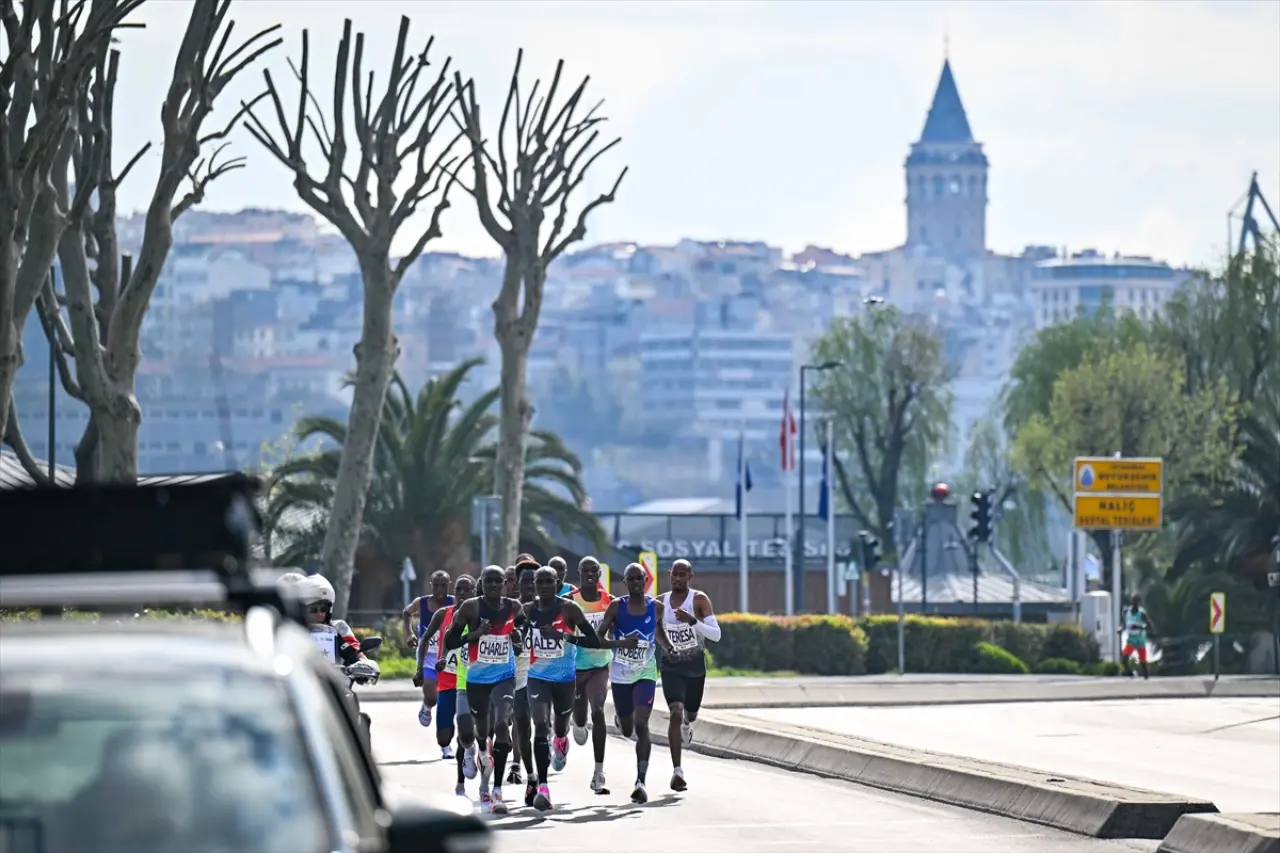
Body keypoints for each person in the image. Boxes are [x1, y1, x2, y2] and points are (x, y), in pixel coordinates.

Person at [522, 565, 629, 811]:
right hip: (537, 677)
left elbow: (592, 640)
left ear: (557, 583)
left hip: (565, 679)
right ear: (534, 585)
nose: (544, 586)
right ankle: (543, 787)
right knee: (540, 725)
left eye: (549, 581)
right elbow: (513, 632)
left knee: (561, 726)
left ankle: (561, 739)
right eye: (540, 582)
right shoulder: (527, 610)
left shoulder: (569, 608)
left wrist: (563, 637)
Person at [443, 566, 527, 814]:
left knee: (501, 725)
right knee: (482, 734)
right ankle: (480, 758)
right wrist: (475, 634)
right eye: (488, 580)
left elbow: (522, 628)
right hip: (477, 680)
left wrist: (518, 637)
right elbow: (450, 640)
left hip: (504, 677)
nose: (493, 585)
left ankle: (497, 790)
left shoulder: (513, 606)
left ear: (505, 583)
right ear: (482, 583)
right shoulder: (471, 607)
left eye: (498, 581)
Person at [597, 563, 672, 804]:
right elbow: (598, 638)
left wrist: (669, 647)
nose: (636, 582)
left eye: (640, 578)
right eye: (632, 579)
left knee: (642, 724)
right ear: (625, 582)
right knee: (628, 729)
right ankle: (621, 718)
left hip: (645, 672)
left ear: (645, 581)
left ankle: (640, 782)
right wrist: (621, 643)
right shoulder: (616, 607)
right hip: (620, 674)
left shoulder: (657, 607)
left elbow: (657, 631)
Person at [658, 558, 721, 791]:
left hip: (694, 668)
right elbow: (653, 629)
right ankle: (677, 771)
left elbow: (716, 635)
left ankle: (687, 723)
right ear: (669, 574)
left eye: (682, 574)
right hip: (671, 667)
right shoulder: (660, 602)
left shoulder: (699, 600)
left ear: (690, 577)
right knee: (675, 711)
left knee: (690, 713)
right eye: (674, 574)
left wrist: (693, 621)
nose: (677, 578)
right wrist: (668, 648)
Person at [416, 575, 475, 768]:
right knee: (443, 736)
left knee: (467, 727)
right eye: (459, 590)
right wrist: (419, 669)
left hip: (472, 680)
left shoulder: (481, 614)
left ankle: (469, 751)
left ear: (474, 592)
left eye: (466, 590)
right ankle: (447, 746)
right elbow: (425, 639)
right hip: (447, 680)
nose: (462, 593)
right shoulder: (443, 614)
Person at [277, 573, 379, 676]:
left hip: (334, 681)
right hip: (298, 680)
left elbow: (355, 652)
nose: (319, 614)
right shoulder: (287, 631)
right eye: (313, 610)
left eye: (323, 609)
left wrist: (363, 664)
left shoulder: (338, 628)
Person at [570, 555, 614, 794]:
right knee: (580, 718)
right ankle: (577, 724)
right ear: (579, 574)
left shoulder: (609, 601)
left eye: (593, 571)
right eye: (585, 571)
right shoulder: (570, 600)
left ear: (599, 574)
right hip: (575, 668)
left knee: (598, 710)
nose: (589, 574)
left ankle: (599, 772)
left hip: (599, 666)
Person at [402, 570, 453, 727]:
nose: (440, 590)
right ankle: (427, 706)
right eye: (436, 586)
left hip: (447, 655)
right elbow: (407, 612)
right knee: (432, 697)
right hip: (428, 655)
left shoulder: (454, 601)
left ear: (449, 585)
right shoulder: (421, 602)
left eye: (443, 586)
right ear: (431, 585)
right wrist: (409, 633)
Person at [505, 561, 538, 795]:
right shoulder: (509, 609)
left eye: (534, 581)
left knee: (526, 722)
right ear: (518, 583)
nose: (530, 586)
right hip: (511, 673)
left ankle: (523, 768)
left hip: (537, 674)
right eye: (525, 581)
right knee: (516, 721)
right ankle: (517, 764)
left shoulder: (548, 609)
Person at [1120, 594, 1156, 680]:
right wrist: (1120, 629)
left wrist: (1139, 627)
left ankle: (1146, 676)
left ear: (1139, 602)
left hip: (1140, 639)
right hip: (1131, 639)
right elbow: (1123, 624)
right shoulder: (1127, 612)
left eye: (1137, 601)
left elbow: (1150, 626)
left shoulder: (1142, 613)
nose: (1135, 603)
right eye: (1134, 601)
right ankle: (1131, 673)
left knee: (1143, 662)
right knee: (1124, 658)